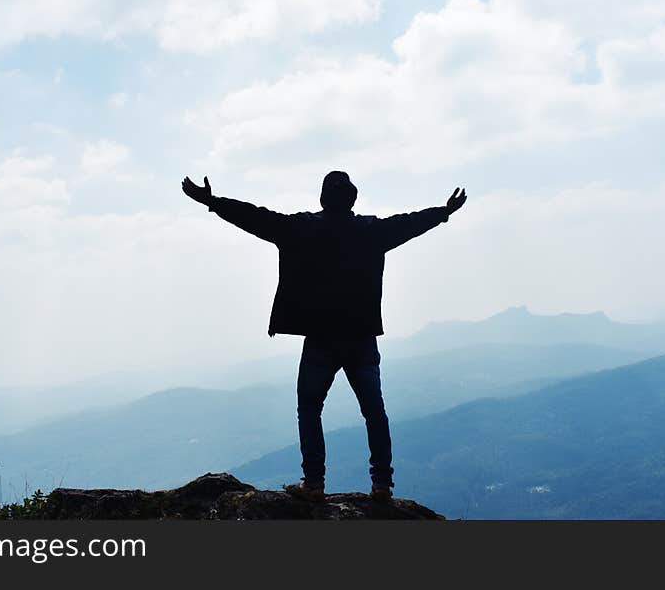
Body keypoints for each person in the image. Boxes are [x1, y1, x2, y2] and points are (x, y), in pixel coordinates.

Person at [181, 171, 466, 501]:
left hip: (320, 339)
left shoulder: (301, 228)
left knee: (310, 409)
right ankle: (382, 484)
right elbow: (407, 223)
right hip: (360, 336)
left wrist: (213, 202)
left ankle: (314, 484)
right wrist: (444, 212)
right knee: (374, 412)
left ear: (322, 199)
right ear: (353, 200)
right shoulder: (371, 232)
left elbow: (255, 217)